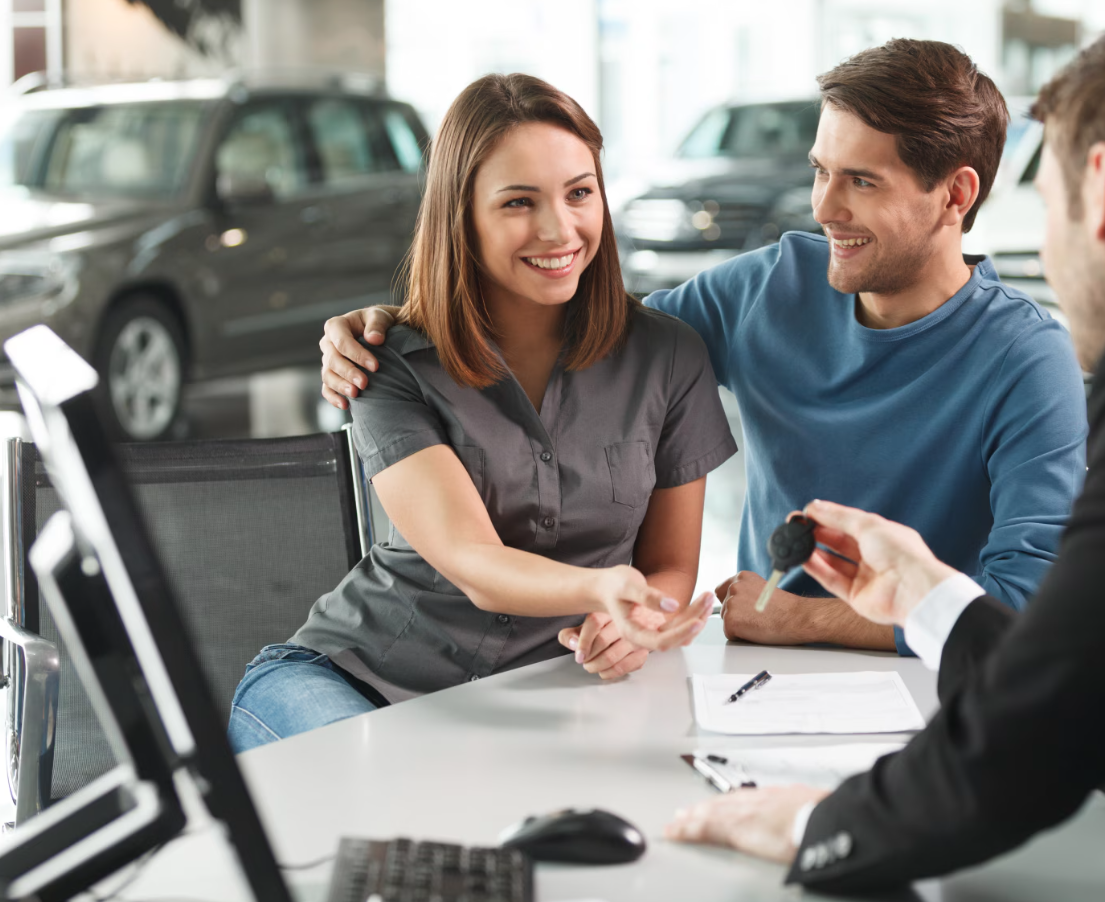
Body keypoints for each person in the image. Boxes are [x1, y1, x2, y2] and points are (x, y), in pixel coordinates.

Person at [664, 15, 1105, 901]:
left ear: (1100, 186)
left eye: (1051, 199)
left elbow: (1046, 727)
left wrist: (810, 827)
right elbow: (1103, 661)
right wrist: (922, 592)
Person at [317, 39, 1089, 663]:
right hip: (759, 677)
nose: (824, 207)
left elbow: (1025, 605)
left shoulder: (1027, 359)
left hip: (932, 685)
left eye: (860, 181)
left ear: (954, 195)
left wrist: (803, 622)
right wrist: (396, 323)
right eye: (820, 171)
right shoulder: (763, 290)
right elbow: (585, 330)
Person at [227, 74, 733, 751]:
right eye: (519, 202)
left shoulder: (667, 356)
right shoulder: (389, 362)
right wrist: (607, 586)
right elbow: (472, 561)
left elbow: (669, 565)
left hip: (539, 696)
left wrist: (635, 622)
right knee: (389, 807)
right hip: (351, 682)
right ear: (459, 215)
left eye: (579, 193)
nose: (560, 228)